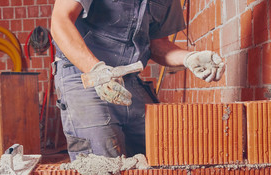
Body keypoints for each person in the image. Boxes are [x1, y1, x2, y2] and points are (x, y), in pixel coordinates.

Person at [50, 0, 225, 161]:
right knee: (103, 163)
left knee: (162, 152)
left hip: (127, 77)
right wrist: (96, 71)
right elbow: (60, 21)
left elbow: (158, 44)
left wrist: (189, 57)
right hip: (83, 73)